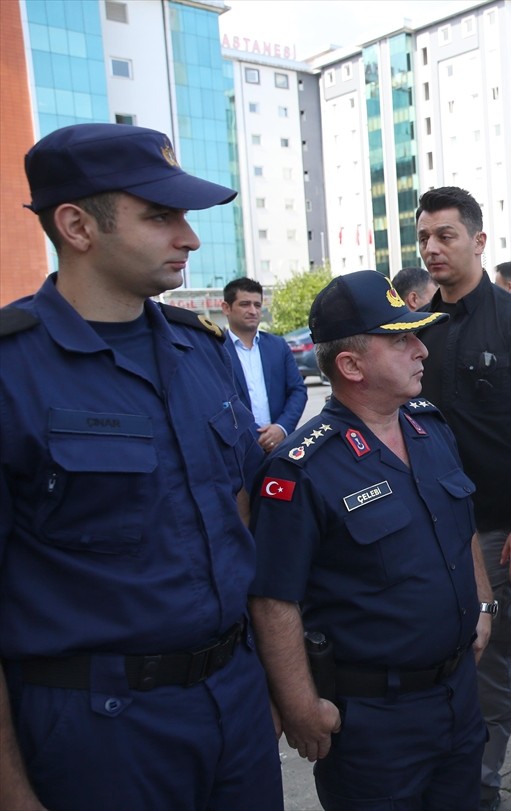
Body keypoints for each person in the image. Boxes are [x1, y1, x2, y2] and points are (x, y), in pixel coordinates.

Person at [0, 122, 282, 810]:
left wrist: (268, 685)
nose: (188, 236)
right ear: (76, 225)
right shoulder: (12, 370)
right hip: (101, 729)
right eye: (160, 216)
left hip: (233, 701)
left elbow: (236, 514)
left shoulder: (201, 350)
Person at [248, 270, 492, 810]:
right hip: (374, 718)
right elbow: (272, 599)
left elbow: (460, 525)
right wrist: (300, 706)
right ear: (351, 365)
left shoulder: (430, 427)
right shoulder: (301, 469)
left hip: (456, 694)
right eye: (400, 339)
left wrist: (483, 604)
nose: (420, 350)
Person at [415, 187, 511, 811]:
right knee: (494, 631)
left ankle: (481, 786)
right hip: (444, 520)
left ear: (478, 241)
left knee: (483, 651)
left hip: (506, 520)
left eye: (444, 235)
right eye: (423, 237)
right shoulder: (422, 324)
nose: (431, 249)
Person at [222, 276, 308, 452]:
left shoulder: (278, 346)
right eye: (245, 304)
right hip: (237, 450)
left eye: (257, 305)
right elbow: (215, 403)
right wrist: (255, 435)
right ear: (226, 308)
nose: (253, 310)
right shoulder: (215, 350)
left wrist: (281, 428)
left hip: (280, 446)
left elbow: (298, 390)